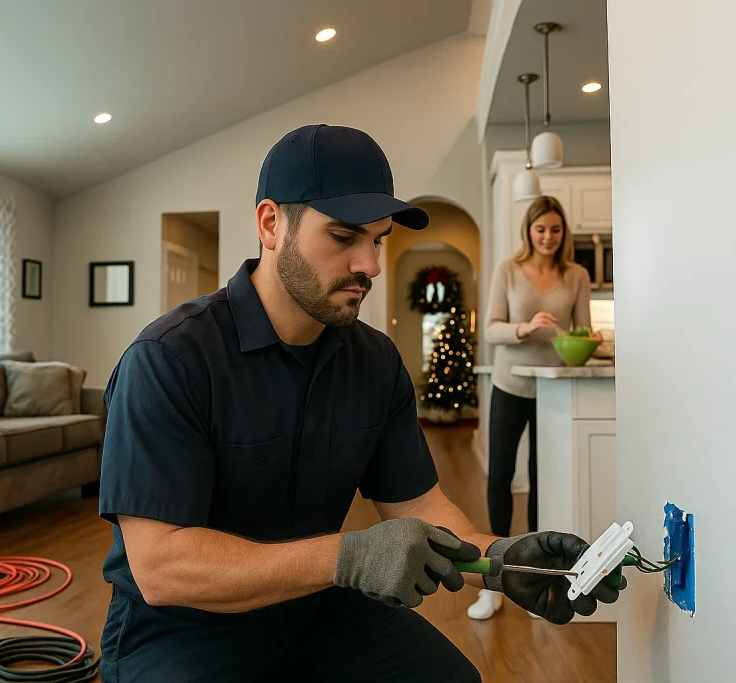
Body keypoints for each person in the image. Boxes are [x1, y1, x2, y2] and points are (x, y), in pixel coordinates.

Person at [96, 125, 623, 682]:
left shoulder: (374, 362)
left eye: (378, 240)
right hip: (182, 630)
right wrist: (348, 557)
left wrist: (504, 561)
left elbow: (420, 508)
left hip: (319, 607)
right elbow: (162, 567)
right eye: (344, 236)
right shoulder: (171, 359)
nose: (369, 265)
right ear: (271, 224)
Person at [467, 195, 603, 621]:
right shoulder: (508, 270)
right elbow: (491, 330)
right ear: (529, 231)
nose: (548, 236)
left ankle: (535, 577)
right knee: (501, 476)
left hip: (554, 390)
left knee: (544, 479)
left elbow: (582, 330)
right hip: (510, 385)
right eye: (541, 229)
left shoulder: (577, 275)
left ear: (564, 232)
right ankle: (493, 581)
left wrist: (591, 341)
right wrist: (525, 328)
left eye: (555, 229)